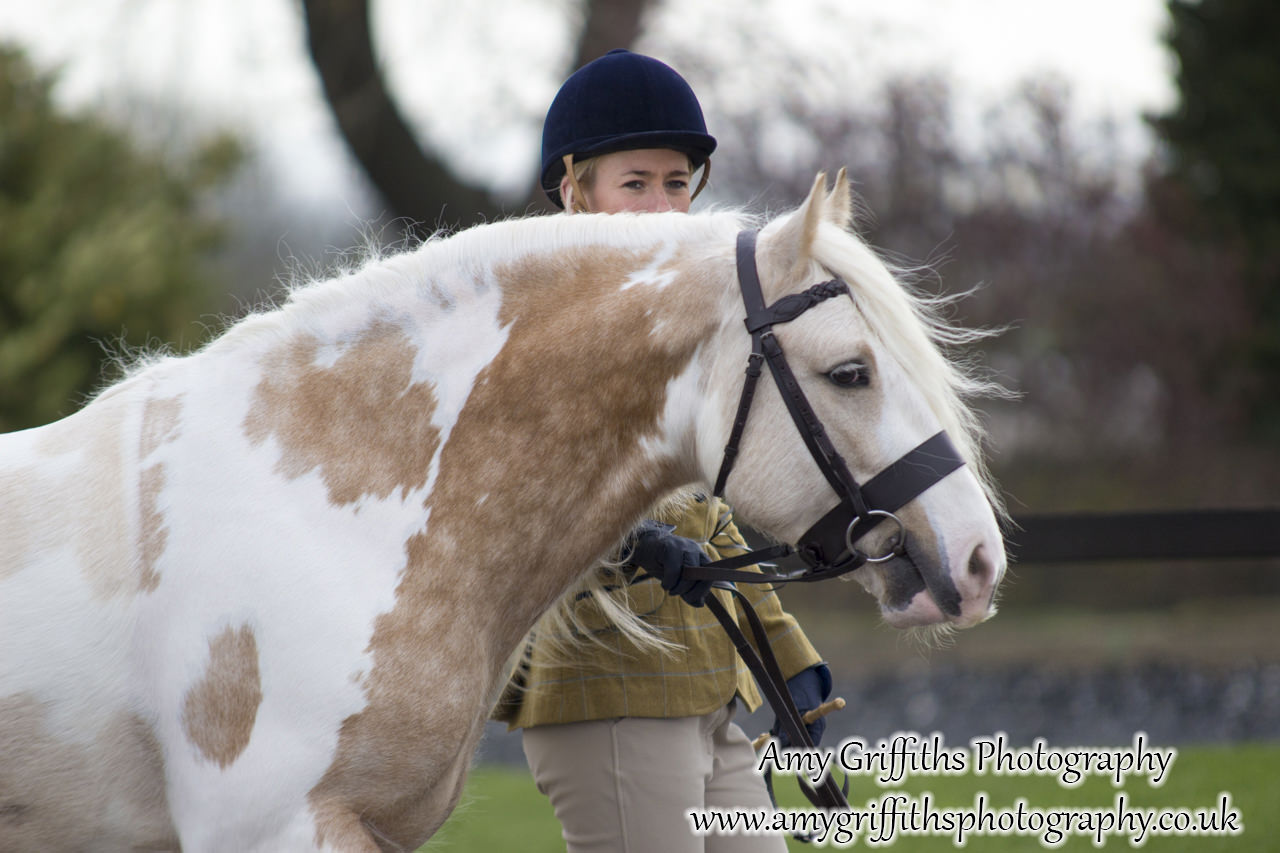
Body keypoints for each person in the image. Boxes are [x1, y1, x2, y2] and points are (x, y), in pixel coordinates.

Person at [492, 49, 833, 853]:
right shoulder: (538, 334)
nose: (661, 204)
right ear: (575, 189)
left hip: (709, 686)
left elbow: (711, 520)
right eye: (635, 183)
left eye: (675, 182)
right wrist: (637, 537)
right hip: (607, 685)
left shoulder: (678, 339)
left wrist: (788, 657)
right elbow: (525, 494)